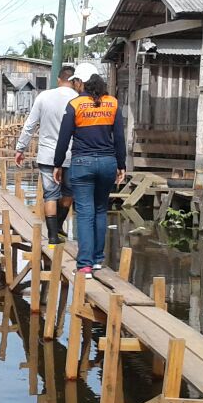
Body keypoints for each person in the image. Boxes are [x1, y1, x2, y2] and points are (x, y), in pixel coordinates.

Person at [52, 72, 125, 279]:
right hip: (108, 162)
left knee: (84, 213)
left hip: (82, 163)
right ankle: (97, 259)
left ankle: (84, 265)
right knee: (100, 209)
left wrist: (58, 164)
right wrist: (121, 164)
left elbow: (63, 138)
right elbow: (119, 137)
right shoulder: (112, 103)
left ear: (80, 83)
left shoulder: (75, 105)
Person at [14, 63, 87, 246]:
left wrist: (20, 148)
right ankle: (59, 226)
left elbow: (30, 125)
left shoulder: (44, 97)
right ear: (75, 81)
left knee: (50, 195)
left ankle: (53, 236)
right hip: (72, 155)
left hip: (48, 154)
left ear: (58, 79)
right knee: (69, 192)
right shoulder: (79, 99)